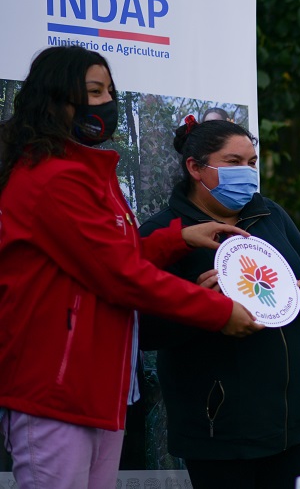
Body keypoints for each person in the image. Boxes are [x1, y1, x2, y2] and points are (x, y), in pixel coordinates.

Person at [0, 46, 261, 489]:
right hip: (55, 389)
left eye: (109, 92)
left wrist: (175, 240)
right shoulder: (51, 179)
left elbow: (108, 258)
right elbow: (120, 276)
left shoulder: (88, 173)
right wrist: (219, 311)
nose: (105, 104)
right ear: (54, 99)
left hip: (96, 388)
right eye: (92, 91)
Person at [138, 116, 300, 489]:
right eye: (233, 162)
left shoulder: (271, 214)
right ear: (195, 167)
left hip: (290, 424)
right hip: (219, 433)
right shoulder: (165, 234)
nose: (247, 172)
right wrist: (199, 308)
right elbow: (143, 329)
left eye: (252, 162)